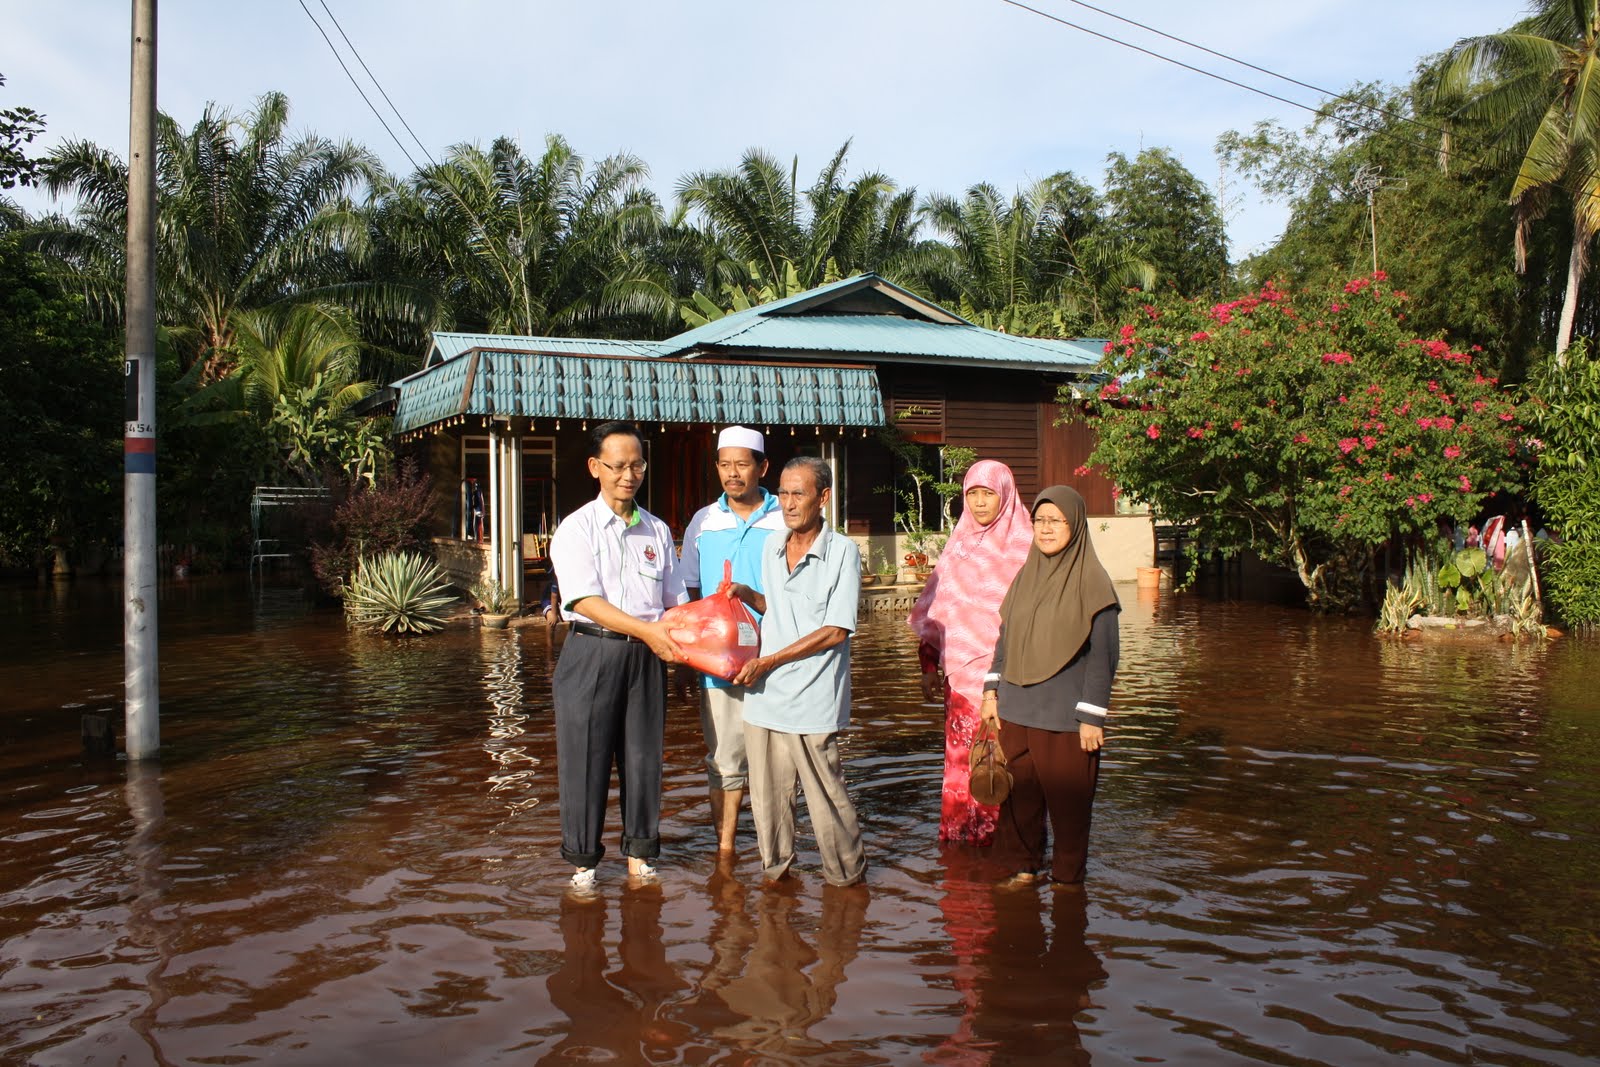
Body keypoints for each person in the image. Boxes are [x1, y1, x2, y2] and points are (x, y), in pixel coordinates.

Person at [548, 421, 686, 892]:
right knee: (585, 757)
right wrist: (649, 631)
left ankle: (640, 855)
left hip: (646, 658)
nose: (629, 475)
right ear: (595, 468)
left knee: (644, 756)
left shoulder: (658, 530)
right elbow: (584, 601)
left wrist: (698, 630)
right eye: (618, 466)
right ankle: (583, 863)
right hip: (591, 652)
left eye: (637, 465)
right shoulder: (576, 529)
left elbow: (674, 601)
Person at [728, 457, 866, 888]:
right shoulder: (772, 545)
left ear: (822, 498)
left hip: (812, 698)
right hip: (765, 695)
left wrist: (768, 660)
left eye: (798, 494)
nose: (788, 503)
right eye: (783, 493)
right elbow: (780, 608)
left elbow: (834, 630)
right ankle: (776, 877)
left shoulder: (842, 551)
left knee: (827, 799)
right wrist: (746, 594)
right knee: (768, 801)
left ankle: (846, 880)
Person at [981, 485, 1120, 887]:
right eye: (1039, 521)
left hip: (1065, 719)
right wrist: (991, 692)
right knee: (1018, 802)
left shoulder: (1094, 582)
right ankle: (1024, 867)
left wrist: (1092, 716)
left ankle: (1066, 882)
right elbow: (1005, 639)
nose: (1045, 529)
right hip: (1016, 711)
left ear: (1074, 525)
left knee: (1069, 810)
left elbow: (1103, 655)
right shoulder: (1026, 577)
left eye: (1054, 521)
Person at [907, 460, 1035, 845]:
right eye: (972, 494)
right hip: (961, 681)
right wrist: (928, 665)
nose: (979, 503)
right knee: (964, 762)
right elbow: (936, 611)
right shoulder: (958, 546)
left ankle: (1012, 846)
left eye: (988, 494)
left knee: (1008, 763)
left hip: (1013, 678)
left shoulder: (1026, 548)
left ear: (1006, 494)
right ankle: (962, 838)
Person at [679, 426, 786, 854]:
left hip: (777, 659)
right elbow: (687, 593)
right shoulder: (704, 522)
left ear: (763, 467)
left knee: (777, 761)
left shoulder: (785, 518)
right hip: (718, 664)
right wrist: (688, 660)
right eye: (725, 465)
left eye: (743, 464)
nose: (733, 474)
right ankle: (724, 849)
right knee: (724, 758)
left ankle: (773, 848)